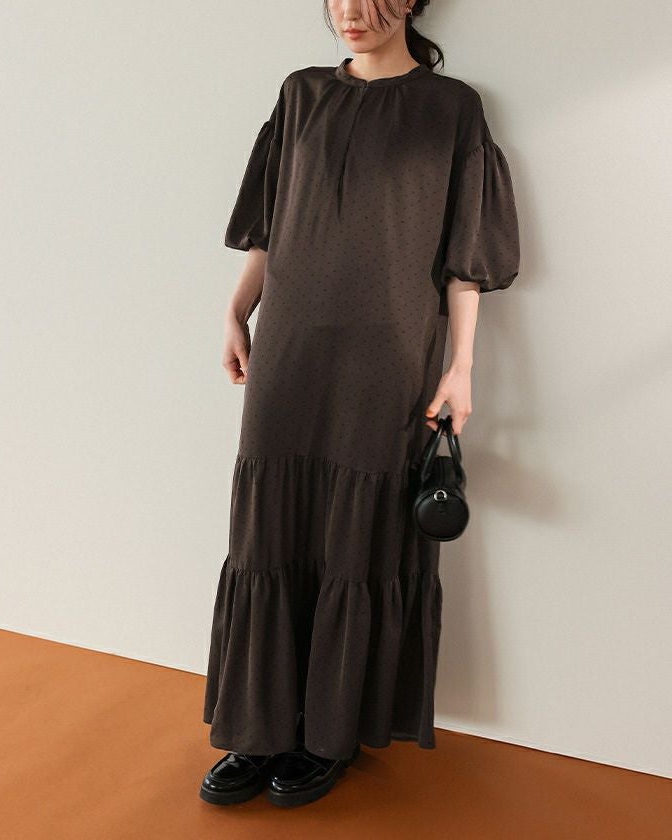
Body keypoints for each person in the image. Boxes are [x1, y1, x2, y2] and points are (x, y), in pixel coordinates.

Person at [199, 0, 520, 808]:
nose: (349, 11)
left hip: (387, 355)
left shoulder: (453, 108)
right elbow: (270, 224)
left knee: (359, 534)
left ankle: (327, 732)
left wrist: (462, 368)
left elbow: (466, 260)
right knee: (268, 531)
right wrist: (236, 310)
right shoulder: (301, 93)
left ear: (410, 1)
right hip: (291, 345)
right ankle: (259, 725)